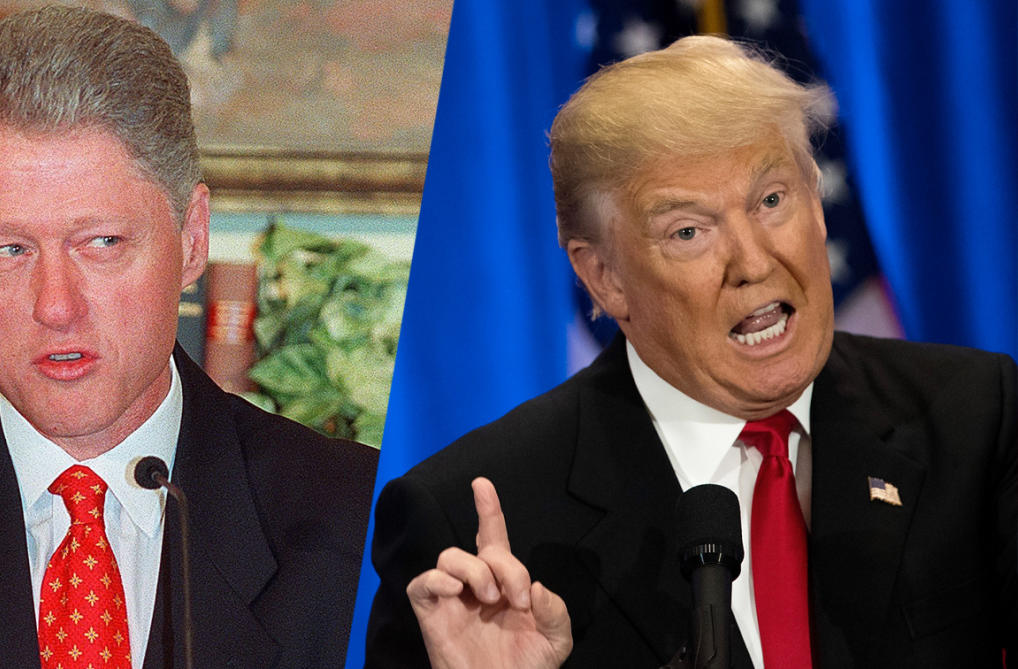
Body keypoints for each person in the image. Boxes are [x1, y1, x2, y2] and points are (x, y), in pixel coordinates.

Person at [365, 35, 1016, 668]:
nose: (754, 262)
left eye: (771, 200)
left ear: (818, 202)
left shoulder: (972, 417)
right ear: (605, 277)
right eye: (688, 230)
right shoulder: (466, 528)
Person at [0, 7, 378, 668]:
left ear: (192, 238)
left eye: (101, 243)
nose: (56, 307)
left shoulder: (356, 519)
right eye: (9, 250)